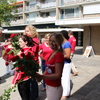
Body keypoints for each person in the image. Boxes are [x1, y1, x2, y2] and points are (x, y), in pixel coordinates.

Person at [36, 33, 64, 100]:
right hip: (49, 84)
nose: (51, 42)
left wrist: (41, 76)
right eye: (50, 40)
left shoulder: (58, 55)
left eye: (54, 41)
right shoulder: (52, 53)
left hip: (55, 87)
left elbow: (58, 75)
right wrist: (41, 76)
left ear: (59, 43)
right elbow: (47, 68)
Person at [11, 35, 38, 100]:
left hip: (23, 79)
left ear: (26, 42)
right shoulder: (30, 51)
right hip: (29, 77)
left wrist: (14, 82)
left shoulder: (24, 54)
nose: (19, 43)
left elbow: (20, 70)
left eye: (20, 42)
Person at [23, 25, 39, 98]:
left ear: (32, 31)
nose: (26, 32)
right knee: (32, 79)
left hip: (33, 61)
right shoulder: (28, 39)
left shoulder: (34, 40)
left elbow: (33, 51)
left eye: (28, 31)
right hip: (29, 61)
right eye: (25, 31)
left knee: (32, 79)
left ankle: (33, 95)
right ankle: (34, 94)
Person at [60, 30, 72, 100]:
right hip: (62, 63)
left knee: (65, 78)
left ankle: (65, 94)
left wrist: (58, 56)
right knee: (63, 78)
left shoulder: (66, 43)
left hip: (66, 63)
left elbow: (67, 55)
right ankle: (65, 91)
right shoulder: (61, 43)